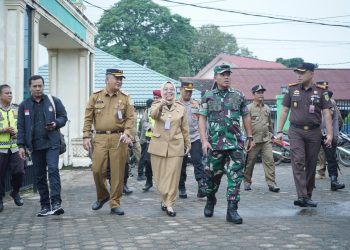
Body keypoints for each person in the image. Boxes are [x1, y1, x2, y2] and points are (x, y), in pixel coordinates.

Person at [199, 64, 254, 224]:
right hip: (215, 146)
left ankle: (232, 209)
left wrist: (249, 136)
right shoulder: (207, 96)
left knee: (235, 177)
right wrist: (204, 140)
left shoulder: (238, 95)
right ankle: (210, 199)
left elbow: (246, 115)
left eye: (228, 74)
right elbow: (202, 118)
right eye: (223, 74)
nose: (226, 77)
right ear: (215, 77)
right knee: (211, 179)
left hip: (235, 145)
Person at [276, 63, 333, 207]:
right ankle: (301, 196)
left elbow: (327, 113)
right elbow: (284, 111)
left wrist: (330, 134)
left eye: (302, 73)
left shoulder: (321, 92)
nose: (299, 75)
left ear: (312, 74)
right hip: (296, 131)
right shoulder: (292, 89)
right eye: (297, 73)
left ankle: (307, 196)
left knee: (311, 164)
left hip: (314, 132)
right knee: (299, 160)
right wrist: (279, 131)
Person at [83, 68, 134, 215]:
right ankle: (103, 195)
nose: (119, 81)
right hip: (99, 138)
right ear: (107, 79)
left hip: (119, 138)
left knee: (117, 173)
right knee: (97, 169)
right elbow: (88, 117)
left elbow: (131, 118)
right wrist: (86, 136)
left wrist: (127, 132)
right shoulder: (95, 96)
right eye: (116, 78)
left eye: (121, 79)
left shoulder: (125, 98)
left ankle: (115, 203)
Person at [17, 75, 67, 217]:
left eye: (40, 86)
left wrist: (56, 123)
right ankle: (45, 205)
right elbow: (20, 127)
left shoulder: (53, 101)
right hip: (35, 145)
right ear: (30, 88)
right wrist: (21, 146)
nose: (38, 89)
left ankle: (56, 203)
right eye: (35, 86)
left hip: (52, 143)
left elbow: (64, 117)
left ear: (43, 86)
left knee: (52, 170)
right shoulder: (24, 105)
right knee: (39, 176)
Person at [148, 81, 190, 217]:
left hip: (176, 145)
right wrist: (162, 103)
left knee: (173, 176)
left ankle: (170, 203)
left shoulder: (181, 108)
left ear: (175, 91)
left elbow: (185, 128)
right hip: (158, 145)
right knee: (160, 177)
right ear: (162, 91)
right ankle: (164, 198)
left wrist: (188, 144)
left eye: (171, 89)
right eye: (165, 89)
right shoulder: (155, 105)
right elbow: (154, 115)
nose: (169, 92)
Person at [244, 84, 280, 192]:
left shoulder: (267, 108)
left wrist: (271, 135)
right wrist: (248, 139)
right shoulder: (248, 108)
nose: (261, 94)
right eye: (258, 92)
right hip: (253, 140)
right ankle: (247, 182)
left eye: (262, 92)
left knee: (270, 161)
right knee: (250, 162)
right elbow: (245, 125)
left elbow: (269, 123)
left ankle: (271, 183)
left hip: (266, 140)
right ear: (253, 94)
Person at [178, 81, 206, 199]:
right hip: (180, 139)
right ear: (181, 90)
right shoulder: (175, 104)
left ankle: (201, 185)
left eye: (190, 91)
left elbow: (202, 120)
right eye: (186, 91)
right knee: (181, 164)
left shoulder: (196, 104)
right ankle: (182, 186)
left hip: (195, 137)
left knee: (197, 161)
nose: (189, 93)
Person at [0, 84, 25, 213]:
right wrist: (3, 130)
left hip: (16, 147)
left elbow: (23, 126)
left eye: (10, 93)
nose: (10, 95)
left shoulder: (17, 109)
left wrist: (18, 133)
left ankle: (15, 192)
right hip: (1, 149)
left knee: (20, 171)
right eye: (6, 93)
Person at [319, 90, 345, 191]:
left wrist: (334, 136)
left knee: (331, 159)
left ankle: (334, 181)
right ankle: (309, 182)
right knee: (311, 159)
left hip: (328, 135)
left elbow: (336, 120)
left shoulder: (332, 103)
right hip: (315, 134)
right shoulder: (316, 102)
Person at [140, 90, 162, 191]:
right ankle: (149, 181)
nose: (155, 100)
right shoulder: (148, 110)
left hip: (162, 140)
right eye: (154, 98)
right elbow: (143, 121)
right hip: (150, 140)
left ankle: (161, 183)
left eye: (157, 98)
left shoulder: (165, 109)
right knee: (147, 161)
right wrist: (149, 127)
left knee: (161, 163)